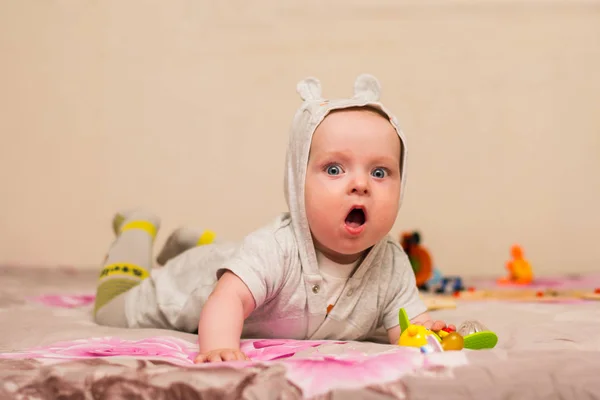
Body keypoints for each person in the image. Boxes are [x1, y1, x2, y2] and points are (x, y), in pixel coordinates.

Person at [93, 74, 454, 363]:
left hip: (233, 259)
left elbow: (406, 326)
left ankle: (195, 242)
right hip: (186, 288)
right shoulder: (276, 247)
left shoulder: (390, 262)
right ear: (297, 183)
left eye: (380, 172)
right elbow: (229, 299)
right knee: (110, 309)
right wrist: (218, 346)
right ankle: (136, 228)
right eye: (334, 168)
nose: (360, 184)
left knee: (228, 259)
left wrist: (429, 334)